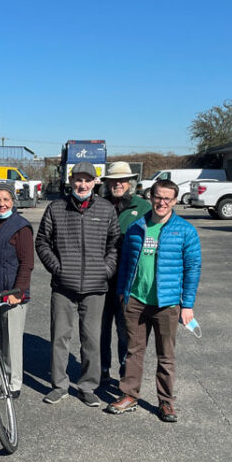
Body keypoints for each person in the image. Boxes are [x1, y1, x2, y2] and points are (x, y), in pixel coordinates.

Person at [106, 179, 201, 422]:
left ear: (175, 201)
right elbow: (125, 261)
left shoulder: (185, 230)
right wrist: (122, 291)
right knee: (133, 351)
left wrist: (187, 304)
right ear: (151, 197)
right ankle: (129, 395)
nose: (162, 202)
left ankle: (166, 402)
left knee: (166, 355)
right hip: (136, 300)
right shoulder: (138, 226)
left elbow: (193, 268)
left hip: (167, 303)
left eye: (168, 198)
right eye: (158, 197)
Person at [35, 161, 120, 407]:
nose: (82, 185)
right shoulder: (56, 208)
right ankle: (59, 384)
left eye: (87, 180)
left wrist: (105, 270)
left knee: (91, 339)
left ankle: (87, 386)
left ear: (95, 182)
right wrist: (58, 268)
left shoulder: (106, 210)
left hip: (95, 288)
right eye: (78, 180)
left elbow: (114, 244)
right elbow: (42, 242)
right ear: (70, 181)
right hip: (63, 286)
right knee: (60, 337)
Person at [0, 183, 34, 399]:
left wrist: (17, 291)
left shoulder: (21, 227)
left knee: (11, 342)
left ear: (13, 202)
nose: (1, 204)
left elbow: (27, 263)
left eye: (6, 200)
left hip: (11, 295)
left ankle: (13, 382)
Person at [99, 161, 151, 382]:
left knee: (125, 331)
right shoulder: (99, 204)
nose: (117, 184)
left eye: (122, 180)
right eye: (113, 180)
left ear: (130, 182)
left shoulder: (143, 207)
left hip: (128, 280)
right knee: (99, 330)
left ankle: (125, 375)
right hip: (101, 279)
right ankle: (100, 371)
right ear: (107, 182)